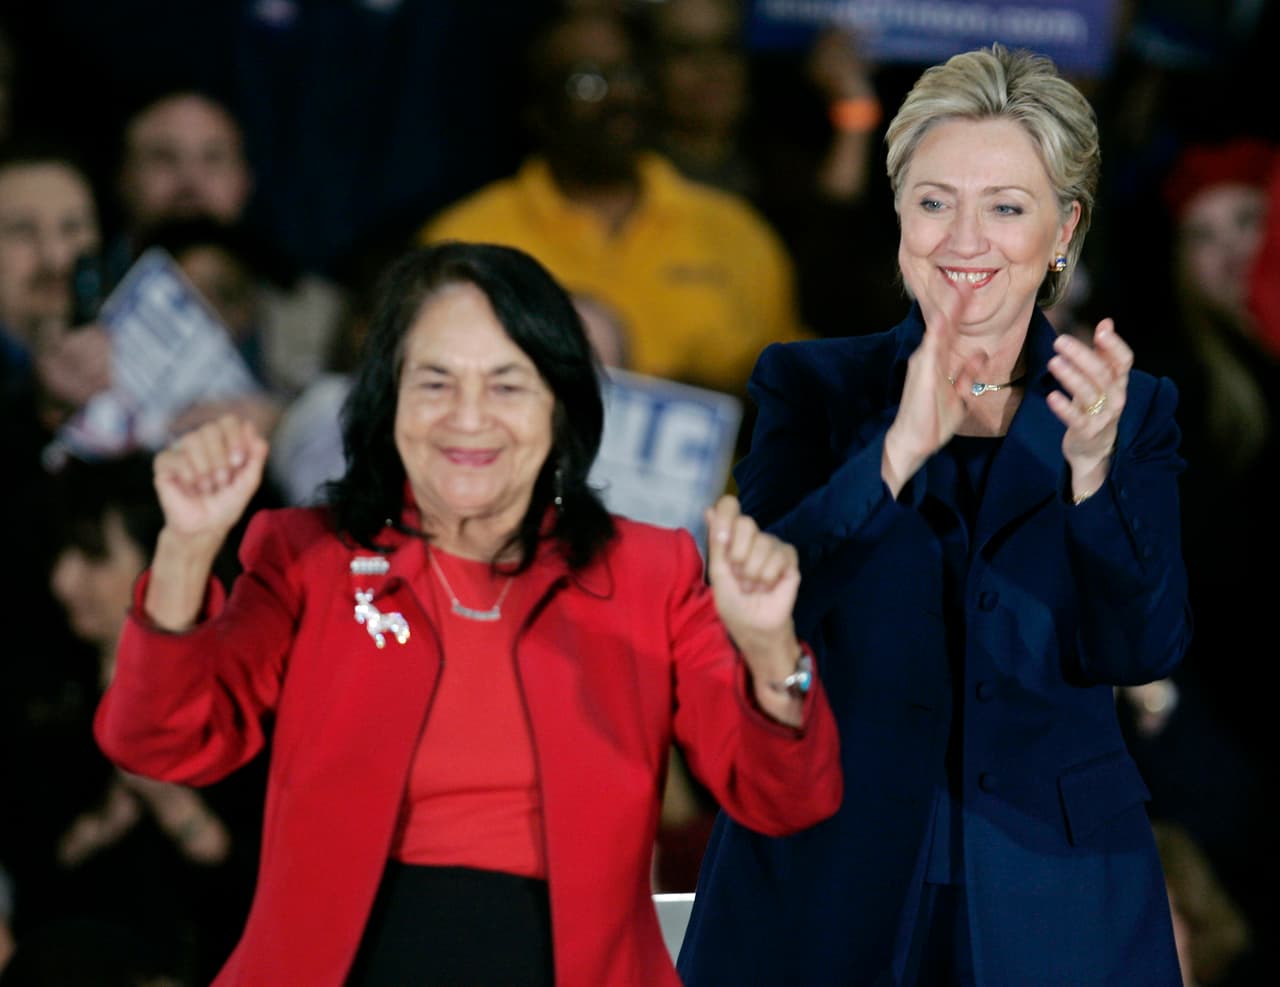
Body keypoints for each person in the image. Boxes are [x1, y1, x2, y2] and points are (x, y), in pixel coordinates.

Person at [92, 240, 842, 985]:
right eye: (436, 382)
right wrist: (187, 545)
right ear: (388, 398)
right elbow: (157, 742)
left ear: (561, 404)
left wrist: (770, 650)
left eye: (507, 385)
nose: (468, 417)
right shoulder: (308, 556)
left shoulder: (650, 572)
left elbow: (787, 798)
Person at [678, 43, 1192, 986]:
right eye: (934, 201)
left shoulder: (1130, 407)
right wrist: (894, 454)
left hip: (1056, 886)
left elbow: (1141, 647)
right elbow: (762, 607)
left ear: (1065, 228)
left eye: (1006, 207)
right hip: (831, 875)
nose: (964, 240)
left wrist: (1090, 471)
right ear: (900, 217)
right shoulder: (811, 385)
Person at [418, 6, 809, 402]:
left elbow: (799, 392)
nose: (621, 95)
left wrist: (722, 401)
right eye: (588, 82)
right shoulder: (466, 242)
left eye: (630, 74)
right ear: (537, 109)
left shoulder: (737, 231)